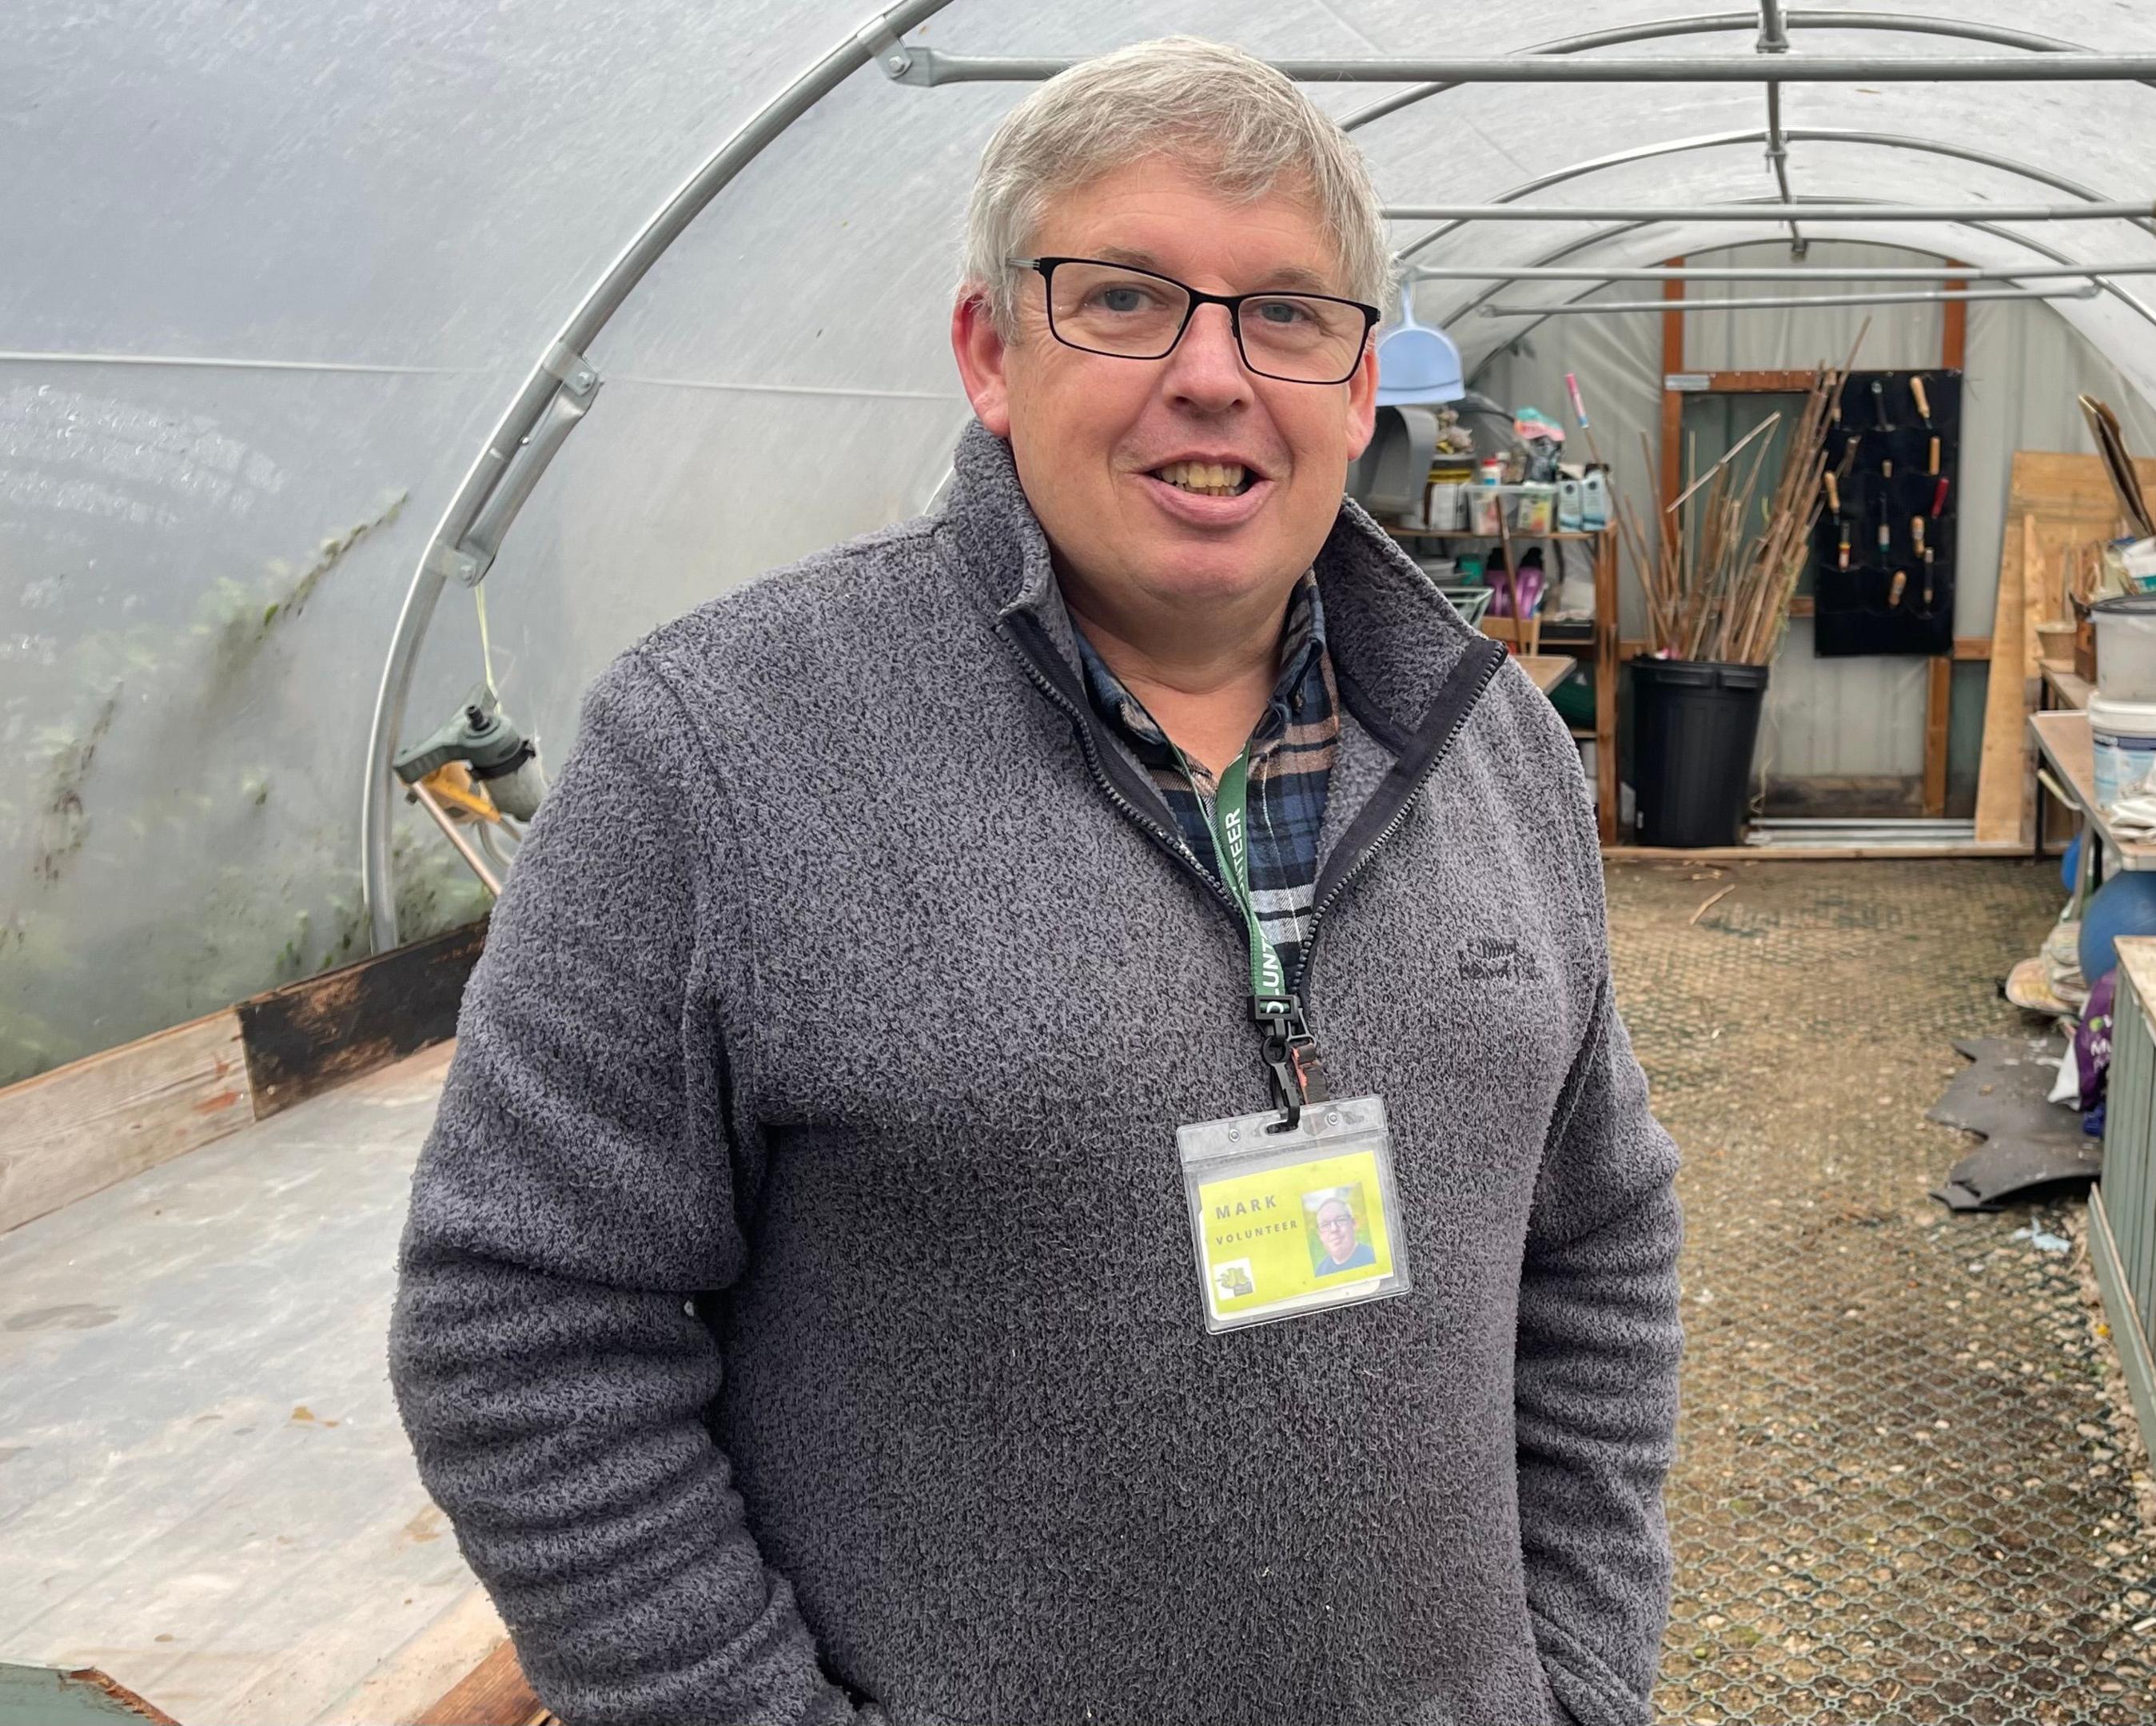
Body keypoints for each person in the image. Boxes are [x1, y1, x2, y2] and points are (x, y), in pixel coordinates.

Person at [389, 36, 1682, 1726]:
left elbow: (1600, 1231)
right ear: (990, 352)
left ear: (1360, 385)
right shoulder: (724, 751)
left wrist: (1573, 1674)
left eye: (1288, 313)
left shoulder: (1493, 741)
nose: (1214, 375)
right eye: (1127, 298)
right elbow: (523, 1322)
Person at [1308, 1190, 1376, 1276]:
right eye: (1325, 1225)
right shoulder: (1320, 1272)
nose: (1334, 1229)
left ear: (1353, 1224)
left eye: (1340, 1220)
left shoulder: (1372, 1258)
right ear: (1320, 1235)